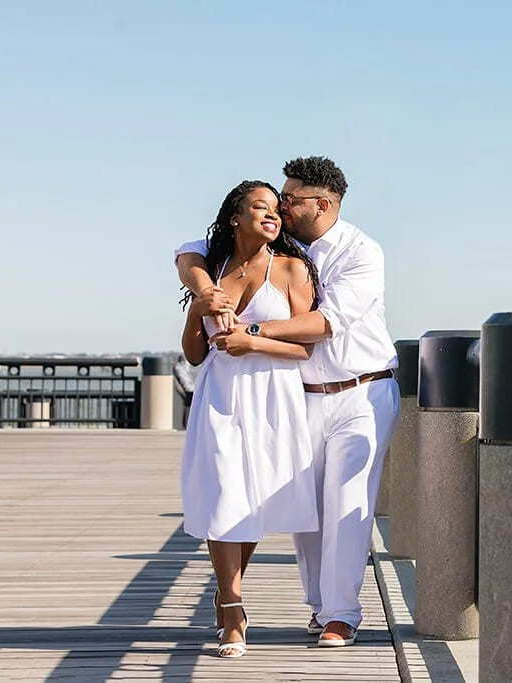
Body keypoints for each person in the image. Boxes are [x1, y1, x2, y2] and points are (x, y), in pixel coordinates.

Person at [175, 157, 399, 648]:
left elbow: (323, 325)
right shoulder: (278, 244)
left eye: (290, 198)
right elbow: (191, 252)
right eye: (276, 199)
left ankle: (342, 614)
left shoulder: (361, 252)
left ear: (322, 204)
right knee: (307, 511)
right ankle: (320, 606)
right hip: (300, 397)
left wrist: (249, 331)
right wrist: (206, 293)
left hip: (360, 389)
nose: (283, 205)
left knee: (347, 501)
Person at [179, 180, 321, 658]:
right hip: (219, 394)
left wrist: (252, 341)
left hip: (272, 397)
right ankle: (233, 607)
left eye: (276, 210)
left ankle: (227, 596)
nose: (272, 215)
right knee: (223, 490)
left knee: (251, 499)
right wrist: (195, 312)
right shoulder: (212, 268)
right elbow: (194, 354)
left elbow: (304, 347)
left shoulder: (292, 268)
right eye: (259, 207)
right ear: (235, 217)